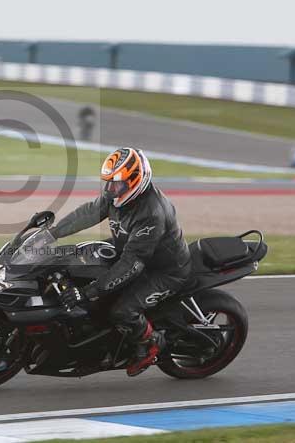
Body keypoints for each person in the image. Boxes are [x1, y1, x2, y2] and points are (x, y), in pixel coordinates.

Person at [50, 147, 192, 376]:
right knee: (78, 261)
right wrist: (53, 233)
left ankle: (151, 343)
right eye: (108, 183)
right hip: (128, 248)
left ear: (134, 181)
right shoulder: (117, 196)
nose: (110, 189)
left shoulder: (152, 213)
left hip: (163, 272)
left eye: (116, 184)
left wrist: (87, 292)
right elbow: (89, 212)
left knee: (121, 311)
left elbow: (132, 264)